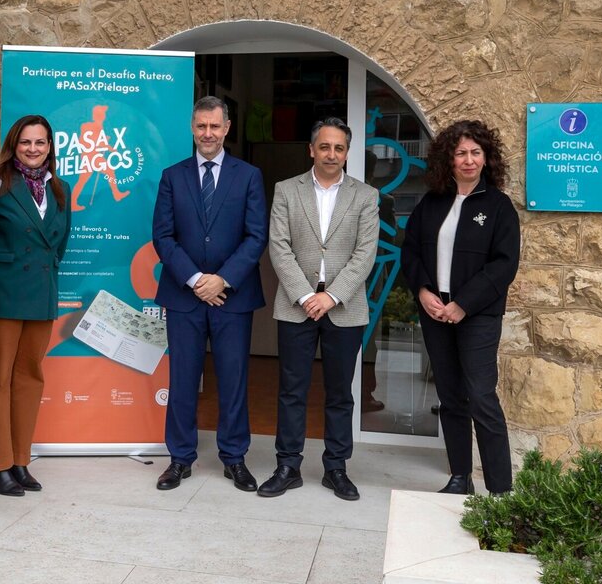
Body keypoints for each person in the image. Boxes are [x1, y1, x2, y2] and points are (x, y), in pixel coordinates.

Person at [151, 95, 268, 492]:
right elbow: (163, 236)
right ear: (192, 127)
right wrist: (196, 280)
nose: (207, 133)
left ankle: (234, 458)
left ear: (227, 128)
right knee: (182, 380)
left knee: (233, 380)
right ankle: (180, 459)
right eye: (201, 126)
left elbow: (256, 236)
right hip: (184, 296)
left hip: (233, 297)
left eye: (214, 126)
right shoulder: (173, 176)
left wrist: (223, 280)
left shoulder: (248, 176)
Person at [261, 117, 379, 501]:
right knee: (291, 390)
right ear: (311, 149)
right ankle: (287, 466)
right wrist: (304, 295)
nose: (331, 154)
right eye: (324, 147)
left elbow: (365, 254)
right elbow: (279, 247)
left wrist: (331, 296)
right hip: (296, 306)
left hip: (344, 306)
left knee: (340, 393)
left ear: (347, 153)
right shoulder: (286, 190)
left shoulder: (366, 196)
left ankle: (336, 468)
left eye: (339, 148)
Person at [400, 119, 520, 495]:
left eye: (475, 153)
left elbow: (504, 265)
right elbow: (411, 251)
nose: (468, 160)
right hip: (436, 312)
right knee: (450, 397)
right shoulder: (431, 203)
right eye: (461, 153)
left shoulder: (499, 207)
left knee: (481, 397)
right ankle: (459, 477)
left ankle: (500, 489)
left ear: (486, 158)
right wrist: (423, 291)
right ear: (448, 159)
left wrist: (463, 304)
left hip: (477, 315)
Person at [0, 114, 70, 496]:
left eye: (40, 142)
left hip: (41, 293)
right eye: (26, 142)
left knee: (29, 378)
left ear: (50, 147)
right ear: (14, 144)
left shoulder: (60, 187)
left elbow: (59, 245)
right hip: (4, 294)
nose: (33, 149)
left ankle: (19, 459)